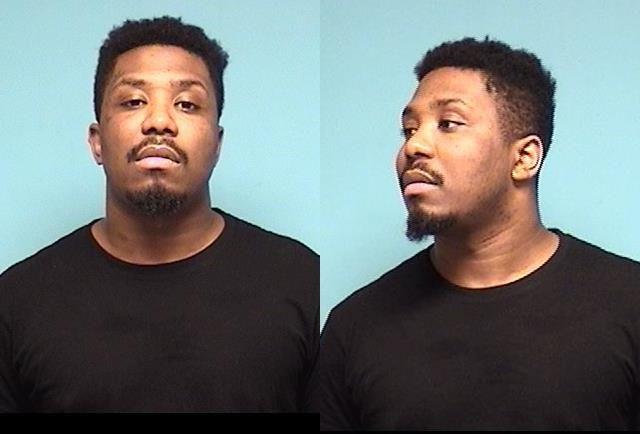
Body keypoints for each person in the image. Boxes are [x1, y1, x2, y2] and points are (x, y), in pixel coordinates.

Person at [308, 37, 640, 429]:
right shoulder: (355, 327)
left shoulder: (629, 303)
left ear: (524, 158)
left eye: (448, 124)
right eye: (408, 129)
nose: (415, 146)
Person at [0, 16, 318, 412]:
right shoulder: (16, 301)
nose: (159, 122)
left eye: (187, 104)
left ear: (217, 143)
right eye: (134, 101)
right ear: (97, 142)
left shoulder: (303, 282)